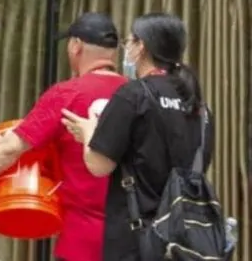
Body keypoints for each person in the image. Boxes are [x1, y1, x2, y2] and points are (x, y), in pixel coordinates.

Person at [0, 12, 127, 261]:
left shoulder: (67, 94)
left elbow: (10, 148)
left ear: (75, 45)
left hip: (81, 242)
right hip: (132, 239)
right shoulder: (137, 95)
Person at [62, 13, 214, 261]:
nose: (126, 49)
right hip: (187, 239)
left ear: (140, 46)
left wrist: (89, 131)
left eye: (129, 42)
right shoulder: (198, 106)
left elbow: (99, 165)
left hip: (138, 238)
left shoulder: (133, 95)